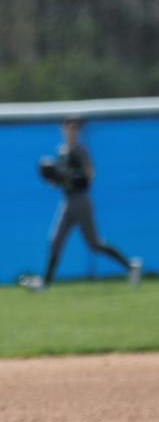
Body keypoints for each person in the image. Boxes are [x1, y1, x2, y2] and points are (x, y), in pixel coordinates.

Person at [20, 116, 141, 291]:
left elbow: (89, 176)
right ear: (62, 129)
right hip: (67, 201)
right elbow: (58, 182)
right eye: (69, 127)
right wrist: (52, 178)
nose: (72, 130)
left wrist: (68, 175)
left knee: (94, 244)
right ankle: (45, 283)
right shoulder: (61, 152)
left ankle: (131, 266)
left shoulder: (79, 151)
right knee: (55, 241)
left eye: (75, 127)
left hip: (80, 200)